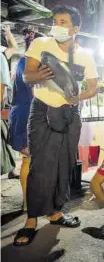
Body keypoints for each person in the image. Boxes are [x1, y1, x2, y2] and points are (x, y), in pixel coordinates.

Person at [14, 5, 99, 246]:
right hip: (42, 110)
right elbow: (27, 76)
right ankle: (31, 220)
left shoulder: (86, 56)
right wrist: (44, 75)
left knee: (65, 164)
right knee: (39, 165)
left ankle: (56, 212)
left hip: (70, 113)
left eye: (62, 22)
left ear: (75, 28)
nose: (57, 26)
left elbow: (93, 87)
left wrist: (78, 97)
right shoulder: (41, 45)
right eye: (55, 21)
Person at [8, 29, 44, 211]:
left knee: (29, 160)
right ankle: (28, 203)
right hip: (27, 116)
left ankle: (29, 201)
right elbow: (35, 92)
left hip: (22, 113)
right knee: (29, 160)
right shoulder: (29, 63)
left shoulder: (22, 62)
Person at [1, 51, 16, 178]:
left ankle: (11, 169)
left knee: (7, 138)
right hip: (4, 107)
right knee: (6, 138)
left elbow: (3, 87)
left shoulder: (2, 58)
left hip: (6, 107)